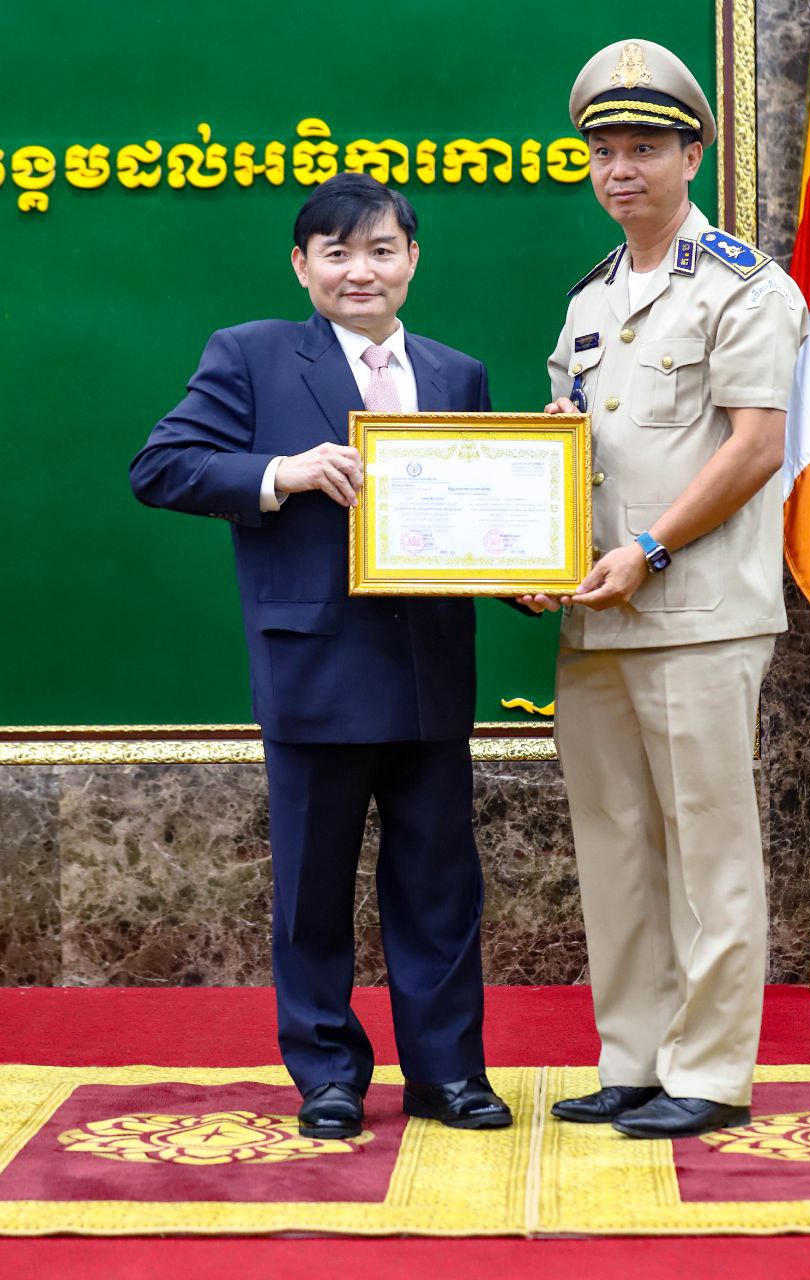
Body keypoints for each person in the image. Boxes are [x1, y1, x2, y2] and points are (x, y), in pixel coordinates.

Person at [130, 173, 511, 1139]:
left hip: (430, 673)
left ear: (412, 259)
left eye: (381, 249)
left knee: (440, 888)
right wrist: (281, 472)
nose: (360, 270)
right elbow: (161, 466)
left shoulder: (457, 374)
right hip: (315, 670)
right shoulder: (251, 355)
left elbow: (479, 518)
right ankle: (328, 1074)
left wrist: (523, 570)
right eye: (337, 253)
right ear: (301, 266)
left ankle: (448, 1075)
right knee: (312, 890)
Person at [520, 39, 808, 1138]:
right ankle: (633, 1057)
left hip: (695, 615)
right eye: (603, 151)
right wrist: (536, 550)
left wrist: (647, 547)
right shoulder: (589, 299)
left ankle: (712, 1068)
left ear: (693, 155)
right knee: (615, 846)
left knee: (707, 845)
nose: (620, 169)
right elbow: (569, 449)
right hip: (596, 621)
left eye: (644, 147)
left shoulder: (744, 285)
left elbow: (755, 447)